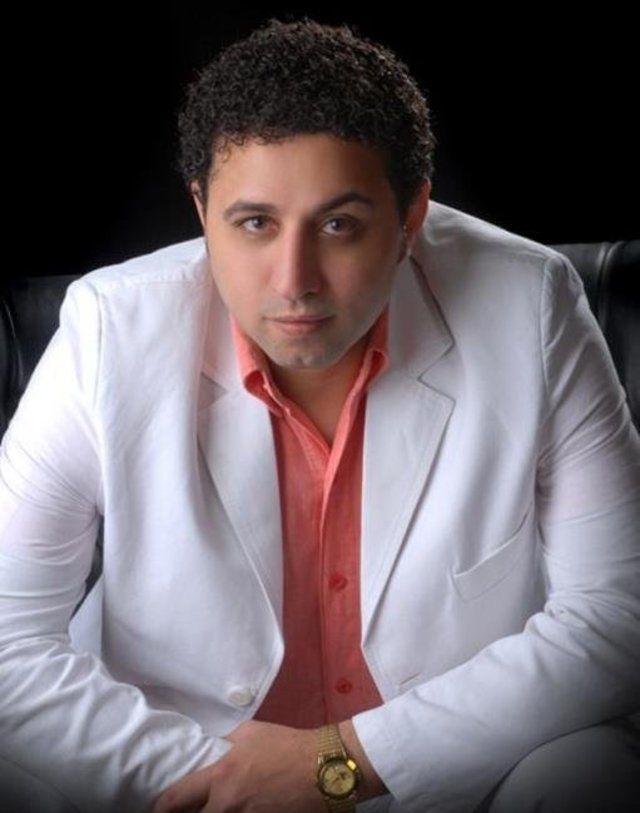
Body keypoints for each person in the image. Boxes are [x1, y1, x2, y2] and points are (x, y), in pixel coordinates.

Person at [1, 16, 639, 813]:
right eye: (255, 224)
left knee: (588, 772)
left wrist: (337, 766)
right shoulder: (109, 330)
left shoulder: (530, 304)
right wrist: (227, 788)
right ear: (202, 209)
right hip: (184, 768)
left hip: (452, 771)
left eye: (339, 225)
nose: (293, 280)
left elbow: (620, 612)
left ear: (411, 220)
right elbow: (6, 640)